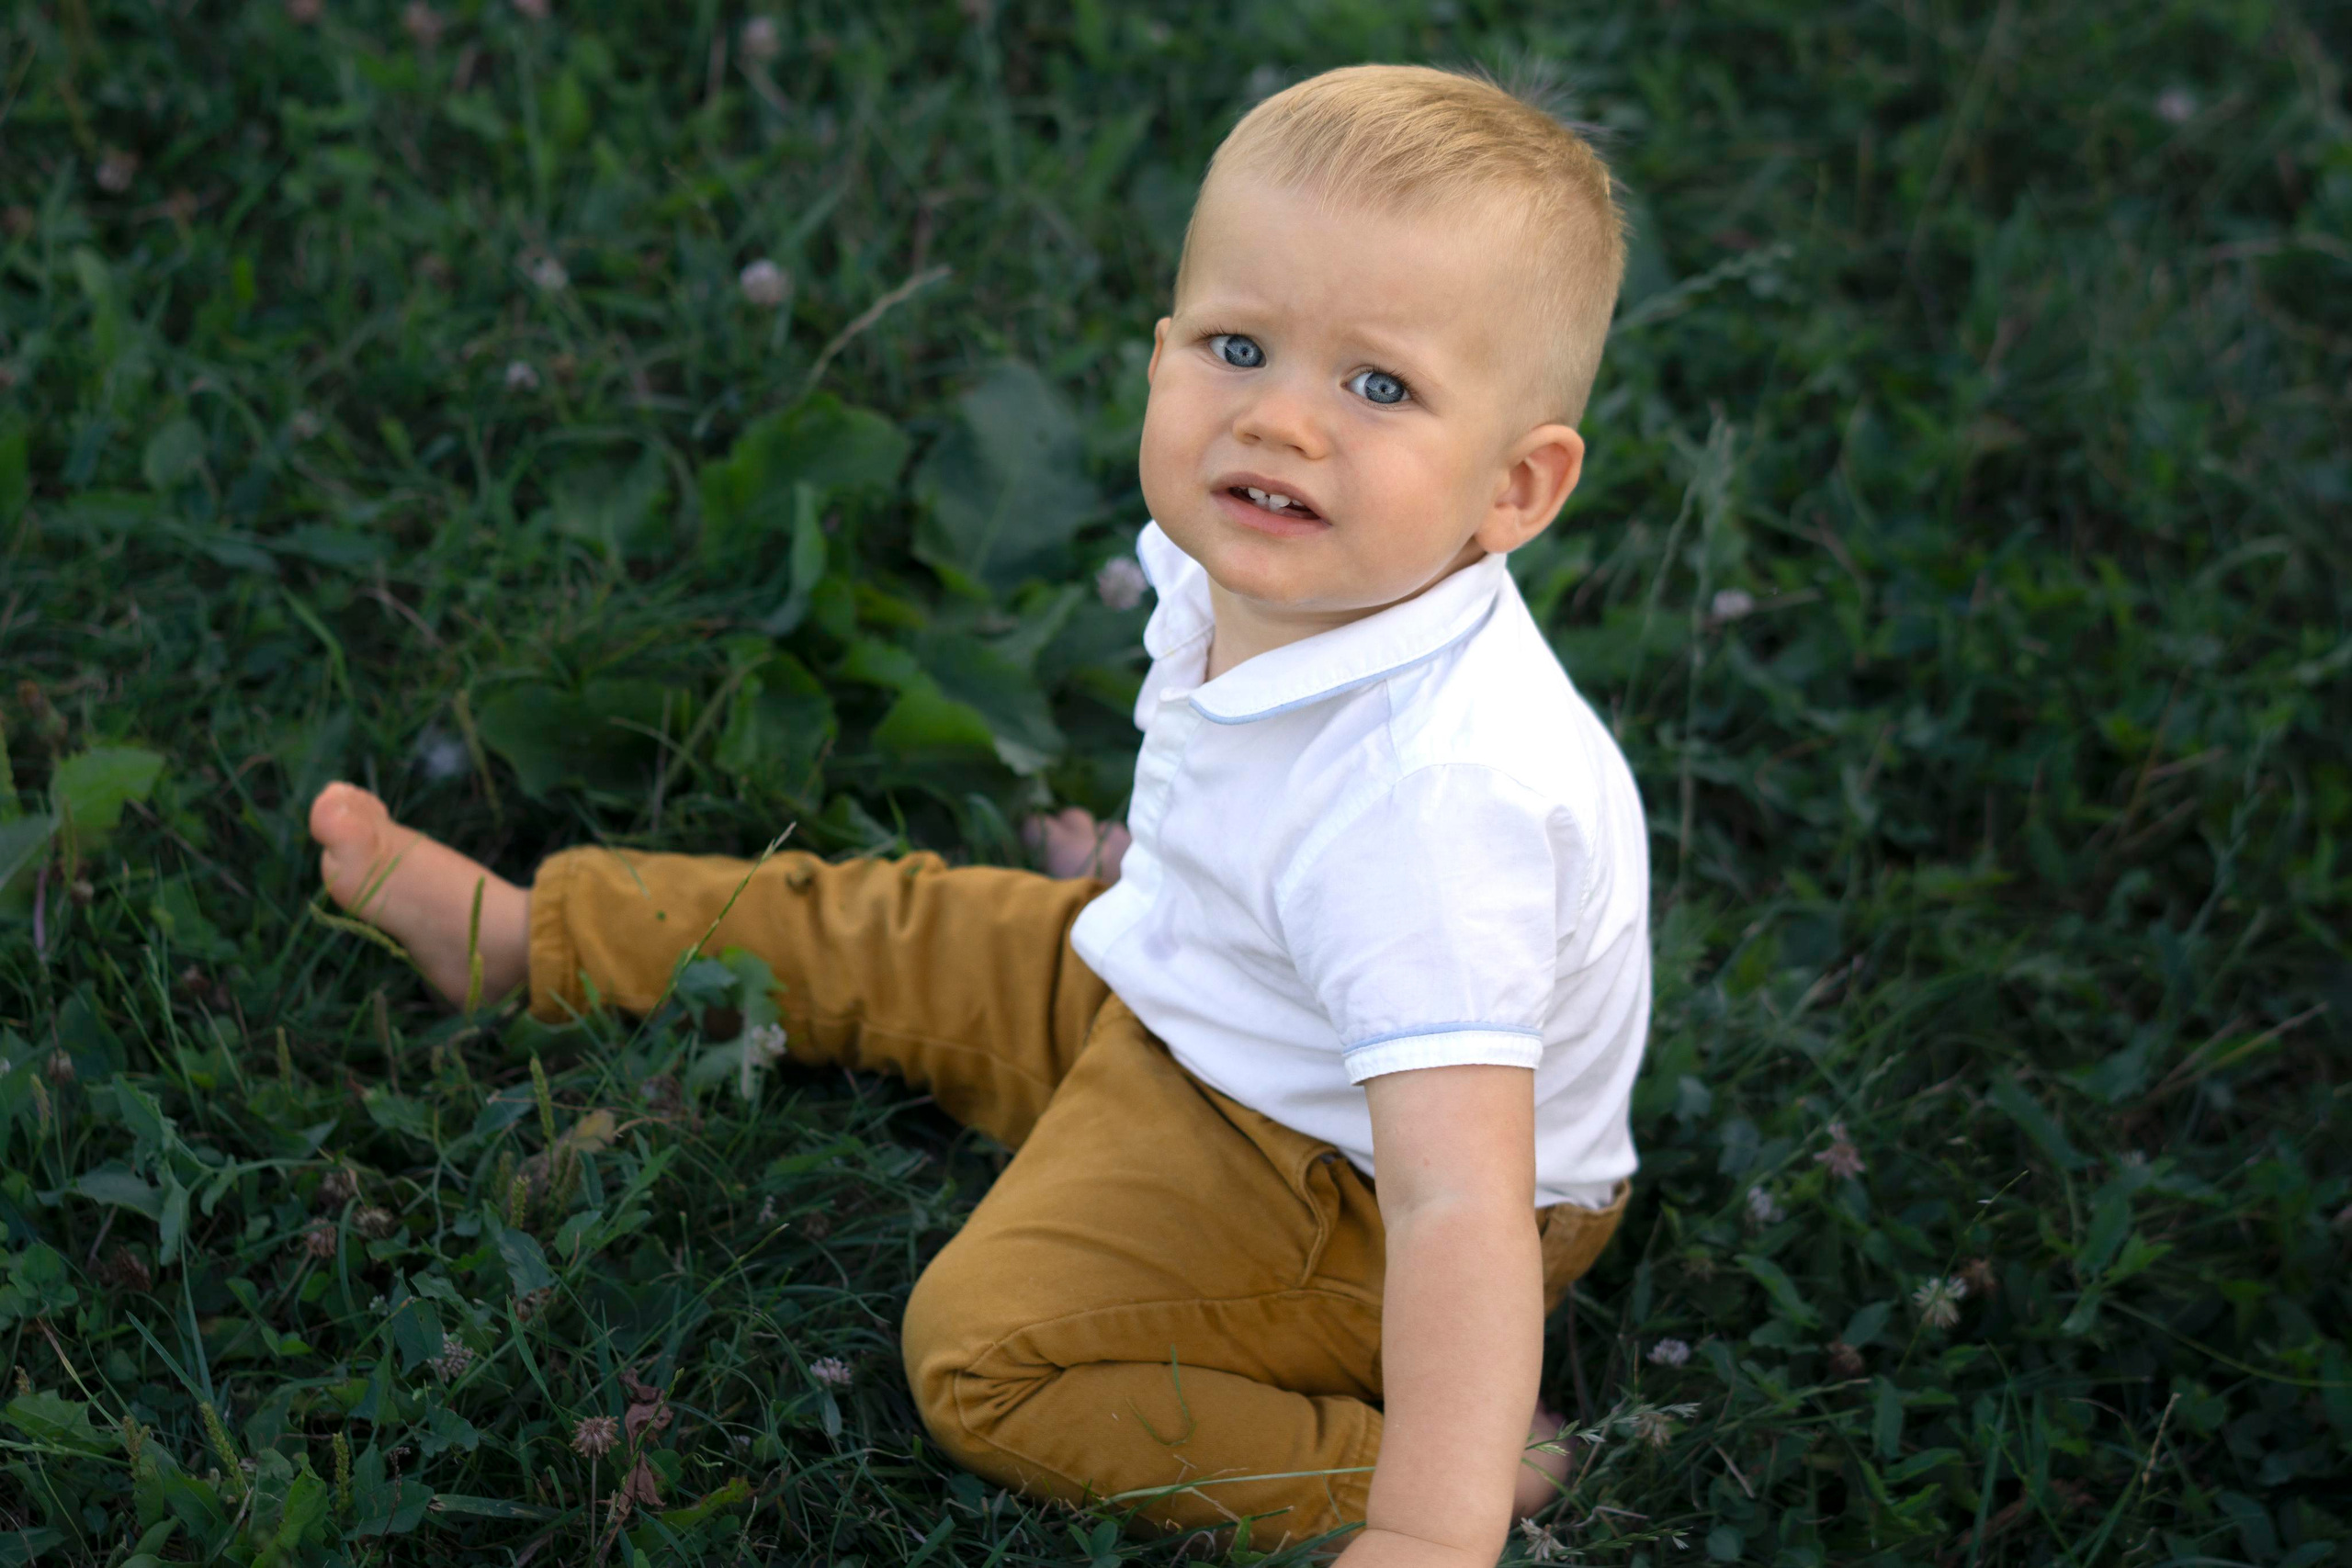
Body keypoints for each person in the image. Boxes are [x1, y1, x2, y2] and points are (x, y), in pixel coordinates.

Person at [308, 62, 1648, 1564]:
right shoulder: (1287, 573)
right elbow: (1264, 795)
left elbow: (1457, 1196)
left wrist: (1428, 1528)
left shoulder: (1430, 809)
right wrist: (1198, 880)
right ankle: (533, 936)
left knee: (990, 1355)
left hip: (1344, 1195)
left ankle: (1419, 1467)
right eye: (1239, 344)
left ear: (1516, 490)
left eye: (1379, 384)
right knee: (886, 924)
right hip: (1207, 991)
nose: (1282, 420)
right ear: (1161, 355)